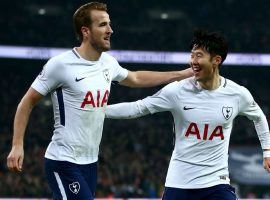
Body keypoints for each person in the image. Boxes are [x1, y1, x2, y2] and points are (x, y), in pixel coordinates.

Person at [6, 2, 193, 200]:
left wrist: (181, 74)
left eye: (109, 24)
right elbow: (26, 102)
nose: (110, 30)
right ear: (86, 31)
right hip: (63, 161)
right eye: (103, 25)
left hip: (90, 162)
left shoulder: (108, 63)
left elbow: (136, 78)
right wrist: (17, 145)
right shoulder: (60, 65)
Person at [105, 30, 270, 200]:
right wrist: (100, 111)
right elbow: (138, 108)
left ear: (216, 60)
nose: (193, 61)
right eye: (192, 55)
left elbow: (259, 117)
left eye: (199, 56)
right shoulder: (177, 91)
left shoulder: (238, 94)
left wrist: (267, 151)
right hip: (180, 182)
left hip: (216, 182)